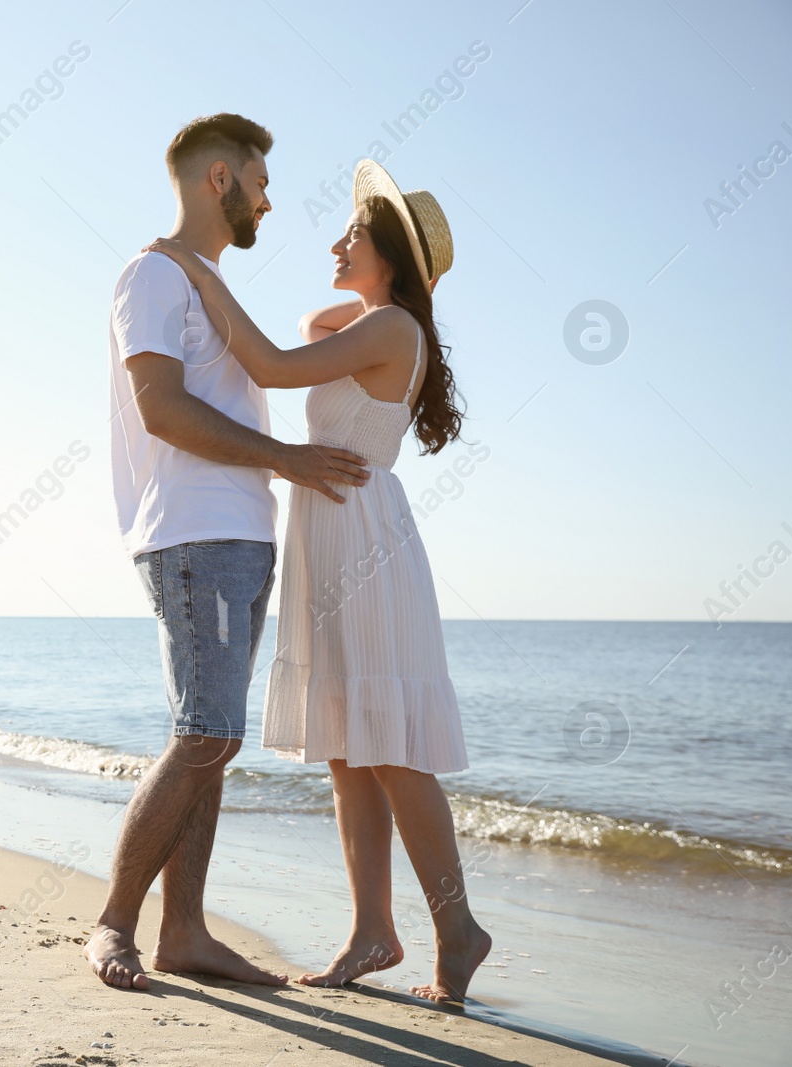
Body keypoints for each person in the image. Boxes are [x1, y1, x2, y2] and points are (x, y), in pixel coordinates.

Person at [143, 158, 492, 1004]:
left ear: (397, 263)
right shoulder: (382, 321)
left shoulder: (392, 329)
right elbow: (312, 318)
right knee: (348, 749)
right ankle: (374, 929)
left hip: (363, 537)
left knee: (394, 751)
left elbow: (265, 363)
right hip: (334, 532)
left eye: (355, 235)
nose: (336, 242)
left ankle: (458, 927)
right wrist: (378, 274)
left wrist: (196, 269)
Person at [87, 113, 370, 992]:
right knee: (203, 732)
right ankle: (112, 924)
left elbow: (286, 359)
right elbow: (162, 408)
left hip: (241, 533)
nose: (269, 198)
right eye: (260, 180)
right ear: (220, 180)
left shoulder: (199, 278)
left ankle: (185, 930)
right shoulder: (153, 277)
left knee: (215, 739)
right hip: (194, 534)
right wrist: (285, 459)